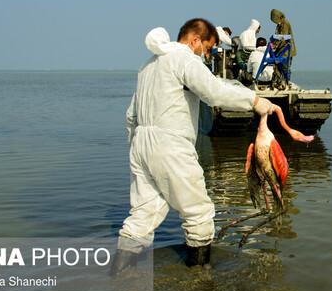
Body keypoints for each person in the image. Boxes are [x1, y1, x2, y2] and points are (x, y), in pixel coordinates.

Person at [114, 18, 273, 271]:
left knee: (142, 215)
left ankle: (120, 277)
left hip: (140, 144)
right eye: (208, 48)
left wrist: (136, 148)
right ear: (195, 40)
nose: (207, 54)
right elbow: (214, 92)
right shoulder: (185, 59)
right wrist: (255, 101)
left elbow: (130, 115)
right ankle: (200, 287)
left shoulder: (147, 66)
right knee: (198, 213)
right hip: (171, 143)